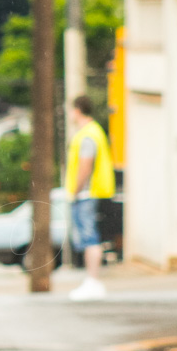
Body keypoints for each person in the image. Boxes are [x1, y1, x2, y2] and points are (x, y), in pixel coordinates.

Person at [66, 95, 115, 302]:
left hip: (87, 194)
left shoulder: (87, 135)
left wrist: (75, 191)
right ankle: (91, 281)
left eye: (69, 110)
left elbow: (85, 166)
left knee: (89, 238)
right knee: (89, 237)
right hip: (91, 193)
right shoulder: (92, 132)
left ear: (77, 110)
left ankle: (92, 281)